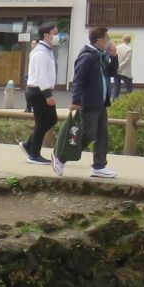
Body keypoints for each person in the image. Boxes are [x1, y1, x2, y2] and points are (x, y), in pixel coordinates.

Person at [56, 26, 116, 180]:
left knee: (102, 134)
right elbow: (78, 80)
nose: (109, 41)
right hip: (89, 103)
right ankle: (61, 156)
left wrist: (113, 56)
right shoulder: (87, 56)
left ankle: (99, 166)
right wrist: (76, 101)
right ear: (100, 40)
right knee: (88, 134)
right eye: (107, 38)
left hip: (101, 103)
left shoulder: (100, 56)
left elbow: (111, 73)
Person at [20, 22, 59, 166]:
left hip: (40, 90)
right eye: (54, 34)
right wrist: (48, 95)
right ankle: (33, 154)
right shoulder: (41, 52)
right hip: (38, 91)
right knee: (43, 122)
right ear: (46, 35)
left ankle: (29, 145)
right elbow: (42, 76)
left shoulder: (46, 50)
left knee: (50, 120)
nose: (56, 37)